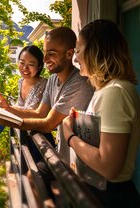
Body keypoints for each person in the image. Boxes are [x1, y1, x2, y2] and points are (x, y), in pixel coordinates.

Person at [0, 26, 94, 199]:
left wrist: (4, 120)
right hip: (61, 157)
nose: (45, 59)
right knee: (31, 181)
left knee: (34, 184)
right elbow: (39, 113)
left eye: (51, 53)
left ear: (70, 54)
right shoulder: (53, 79)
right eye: (45, 53)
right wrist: (6, 110)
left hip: (81, 168)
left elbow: (48, 124)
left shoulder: (78, 83)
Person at [62, 19, 140, 208]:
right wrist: (80, 123)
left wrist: (70, 136)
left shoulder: (115, 92)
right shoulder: (108, 90)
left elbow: (109, 167)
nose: (75, 58)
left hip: (110, 198)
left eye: (79, 50)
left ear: (96, 51)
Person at [15, 45, 55, 162]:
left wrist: (8, 109)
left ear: (39, 67)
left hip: (41, 139)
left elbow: (37, 114)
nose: (25, 68)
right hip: (25, 135)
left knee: (38, 176)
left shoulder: (45, 84)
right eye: (22, 63)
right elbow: (20, 107)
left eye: (31, 64)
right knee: (26, 172)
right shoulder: (21, 81)